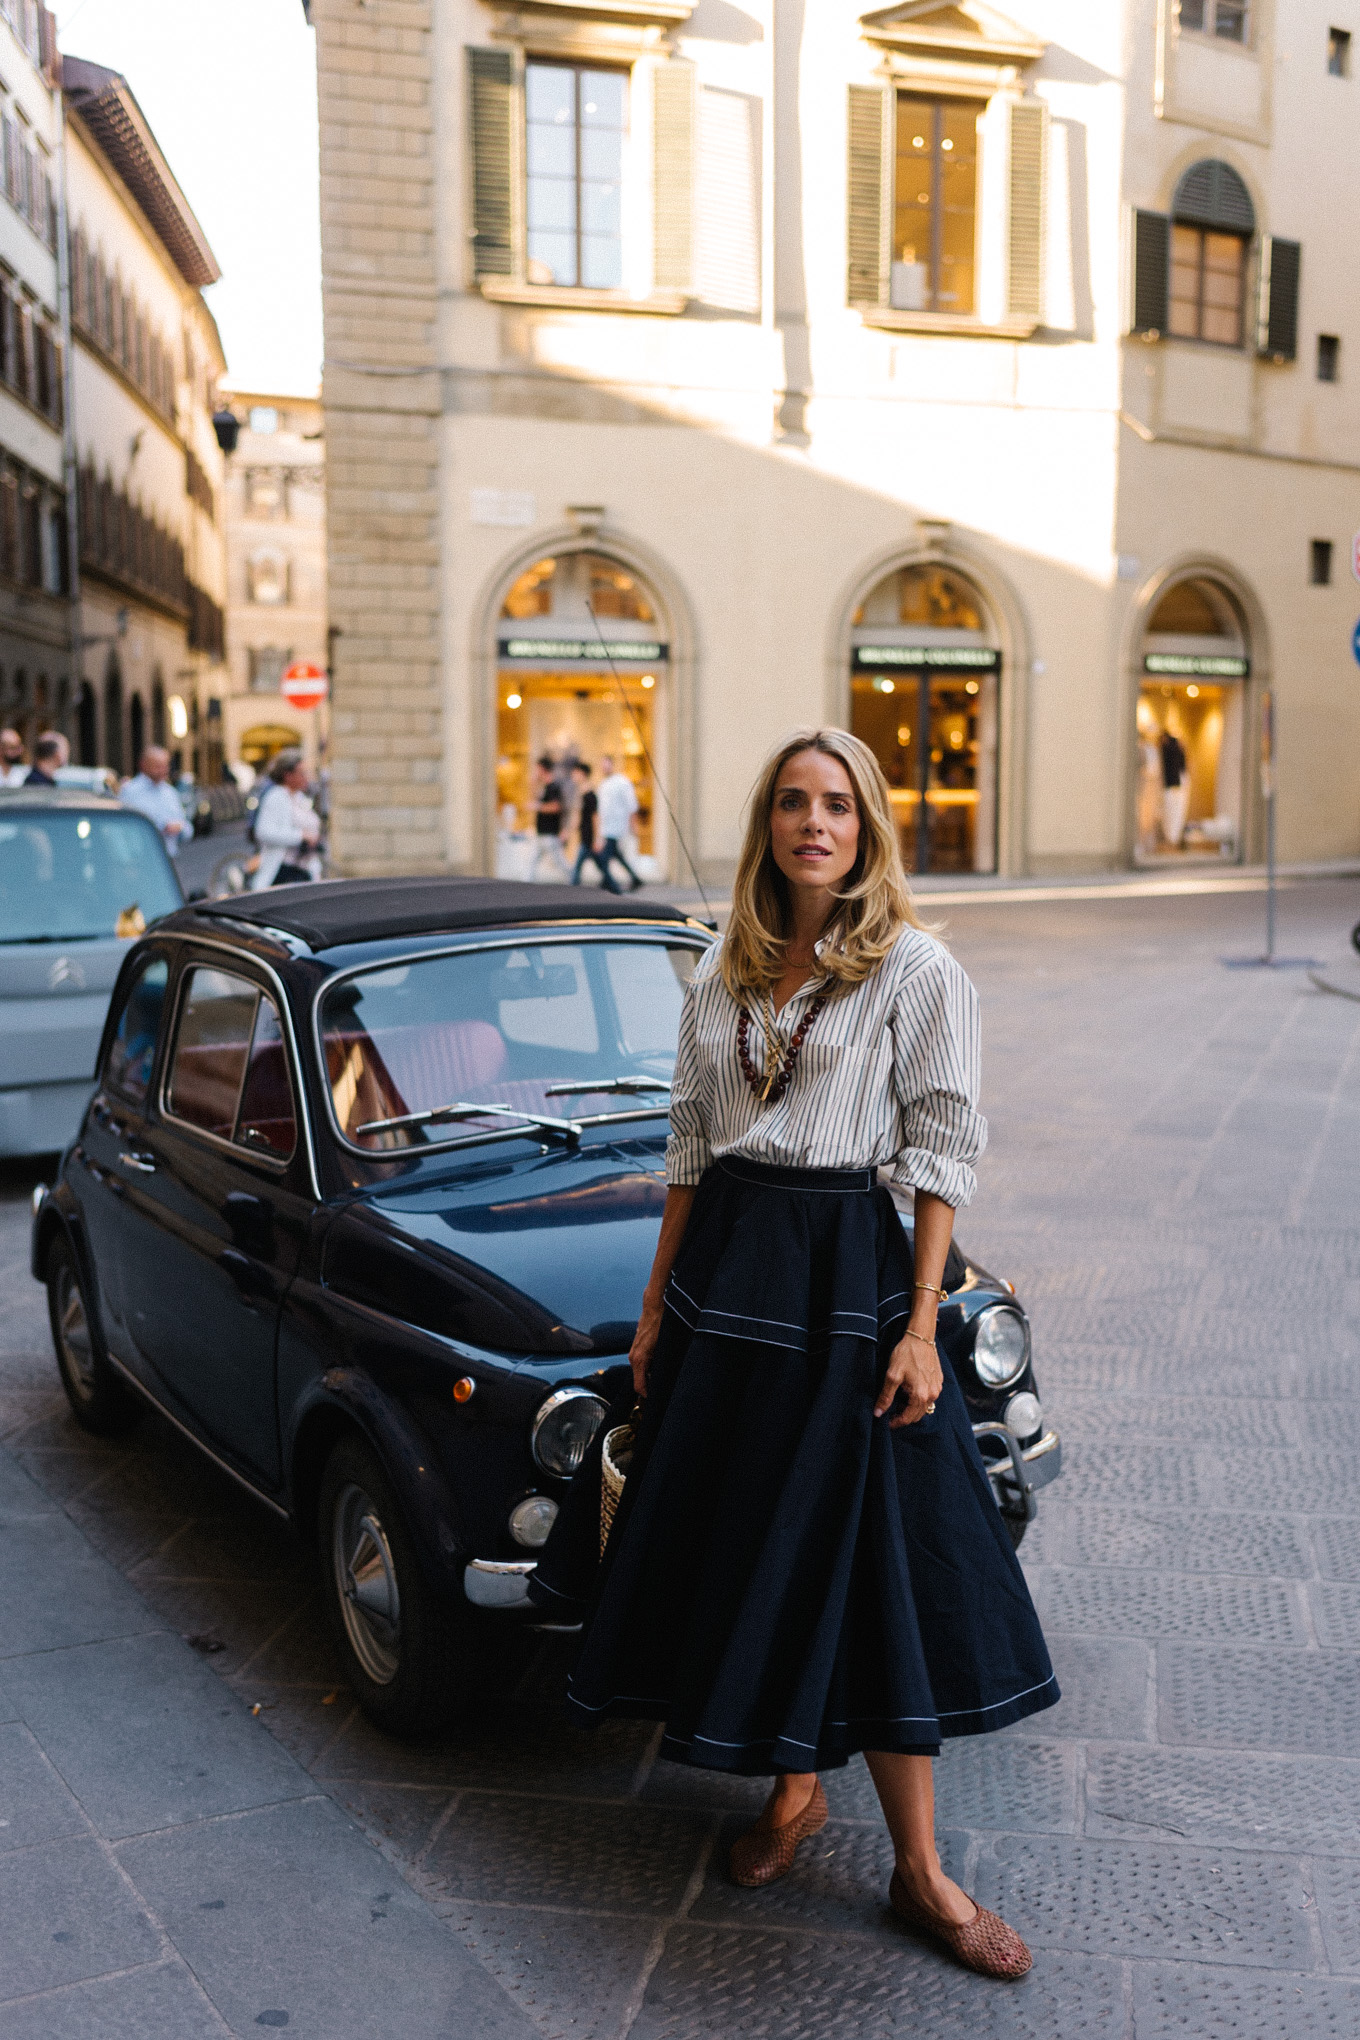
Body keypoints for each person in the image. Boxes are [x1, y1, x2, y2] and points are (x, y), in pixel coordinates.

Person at [532, 726, 1055, 1981]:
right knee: (756, 1537)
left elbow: (938, 1151)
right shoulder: (721, 974)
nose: (812, 823)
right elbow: (687, 1152)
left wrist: (923, 1322)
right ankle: (789, 1798)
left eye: (836, 805)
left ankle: (921, 1872)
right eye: (790, 803)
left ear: (867, 827)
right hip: (729, 1276)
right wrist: (657, 1311)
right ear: (767, 824)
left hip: (846, 1281)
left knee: (875, 1557)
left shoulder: (919, 971)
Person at [250, 749, 321, 888]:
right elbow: (263, 832)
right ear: (288, 775)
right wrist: (301, 836)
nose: (306, 777)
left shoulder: (299, 797)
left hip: (303, 870)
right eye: (301, 773)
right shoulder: (276, 796)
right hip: (283, 871)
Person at [120, 746, 192, 855]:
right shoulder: (129, 792)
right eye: (158, 766)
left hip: (167, 859)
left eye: (165, 766)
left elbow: (187, 828)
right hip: (139, 858)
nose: (163, 770)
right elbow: (122, 829)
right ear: (143, 765)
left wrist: (179, 828)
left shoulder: (171, 793)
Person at [595, 754, 642, 891]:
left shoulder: (622, 782)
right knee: (615, 855)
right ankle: (634, 878)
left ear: (612, 764)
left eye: (606, 763)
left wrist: (634, 825)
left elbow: (632, 805)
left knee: (603, 858)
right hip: (607, 827)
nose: (604, 767)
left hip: (617, 827)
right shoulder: (603, 784)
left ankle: (612, 886)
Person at [570, 761, 619, 892]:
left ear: (582, 774)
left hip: (589, 837)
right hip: (586, 836)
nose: (573, 775)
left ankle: (572, 889)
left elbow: (595, 817)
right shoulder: (582, 793)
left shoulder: (590, 795)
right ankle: (615, 889)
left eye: (575, 772)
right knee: (601, 866)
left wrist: (597, 838)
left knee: (579, 866)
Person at [530, 754, 571, 881]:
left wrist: (538, 807)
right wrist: (533, 782)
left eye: (537, 768)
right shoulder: (545, 787)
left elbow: (556, 807)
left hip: (550, 833)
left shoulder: (554, 786)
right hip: (542, 833)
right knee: (531, 862)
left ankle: (574, 880)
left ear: (542, 769)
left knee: (561, 862)